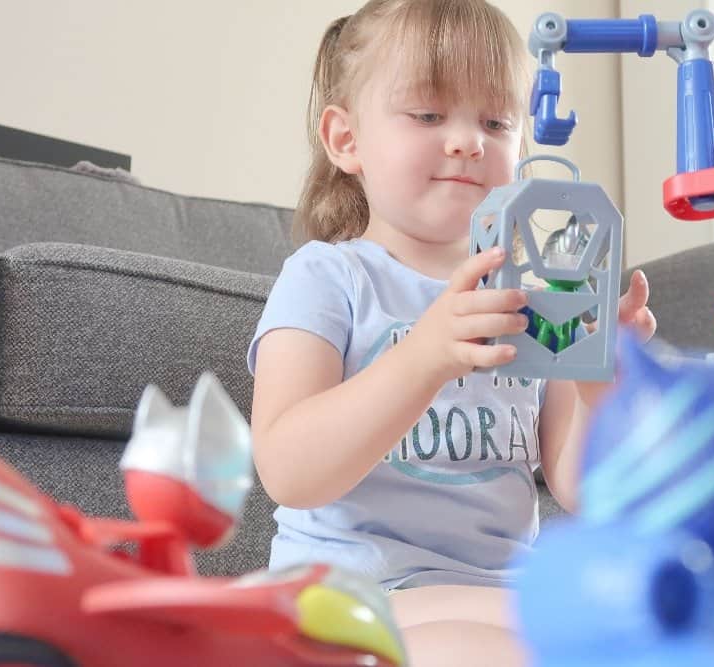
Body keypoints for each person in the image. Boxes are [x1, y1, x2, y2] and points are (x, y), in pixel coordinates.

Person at [248, 1, 656, 664]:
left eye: (496, 121)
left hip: (501, 591)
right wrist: (423, 357)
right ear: (346, 139)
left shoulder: (532, 290)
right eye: (429, 114)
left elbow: (578, 487)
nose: (469, 140)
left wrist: (598, 384)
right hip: (339, 596)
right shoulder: (327, 277)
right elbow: (288, 470)